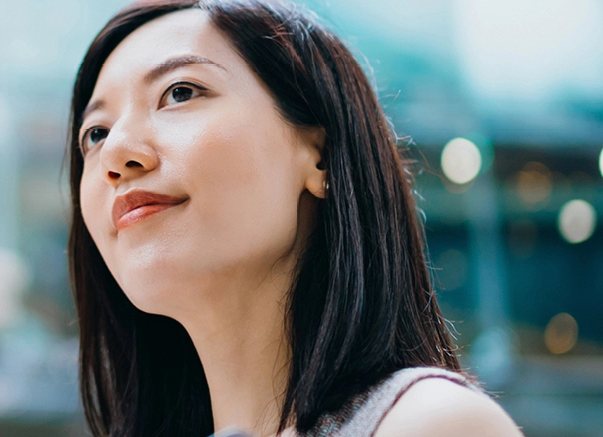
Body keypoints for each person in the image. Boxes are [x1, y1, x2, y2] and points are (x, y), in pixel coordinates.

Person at [64, 1, 524, 436]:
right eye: (95, 133)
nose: (116, 153)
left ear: (320, 157)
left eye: (180, 92)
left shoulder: (432, 423)